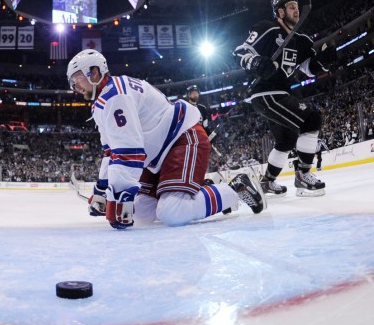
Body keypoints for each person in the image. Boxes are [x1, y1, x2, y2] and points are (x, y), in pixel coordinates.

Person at [66, 49, 266, 229]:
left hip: (181, 139)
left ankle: (235, 189)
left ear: (94, 72)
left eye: (77, 78)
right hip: (160, 155)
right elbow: (110, 151)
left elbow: (128, 151)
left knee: (172, 212)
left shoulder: (115, 96)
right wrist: (102, 192)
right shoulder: (105, 98)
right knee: (142, 214)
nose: (76, 86)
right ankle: (202, 189)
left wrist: (119, 196)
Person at [233, 0, 329, 197]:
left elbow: (309, 69)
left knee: (286, 140)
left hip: (281, 93)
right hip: (266, 92)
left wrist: (324, 60)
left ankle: (267, 182)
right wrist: (256, 62)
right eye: (291, 7)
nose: (296, 10)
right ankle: (303, 176)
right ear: (280, 12)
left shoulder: (302, 40)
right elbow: (240, 52)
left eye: (297, 6)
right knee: (312, 119)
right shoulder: (267, 28)